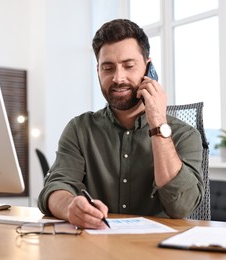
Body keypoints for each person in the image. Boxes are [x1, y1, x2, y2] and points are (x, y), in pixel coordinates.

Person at [38, 19, 204, 229]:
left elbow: (181, 207)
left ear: (148, 68)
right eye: (108, 68)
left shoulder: (185, 135)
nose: (118, 78)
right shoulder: (80, 129)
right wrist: (71, 207)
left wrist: (158, 124)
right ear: (98, 70)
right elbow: (55, 187)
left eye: (129, 66)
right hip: (96, 247)